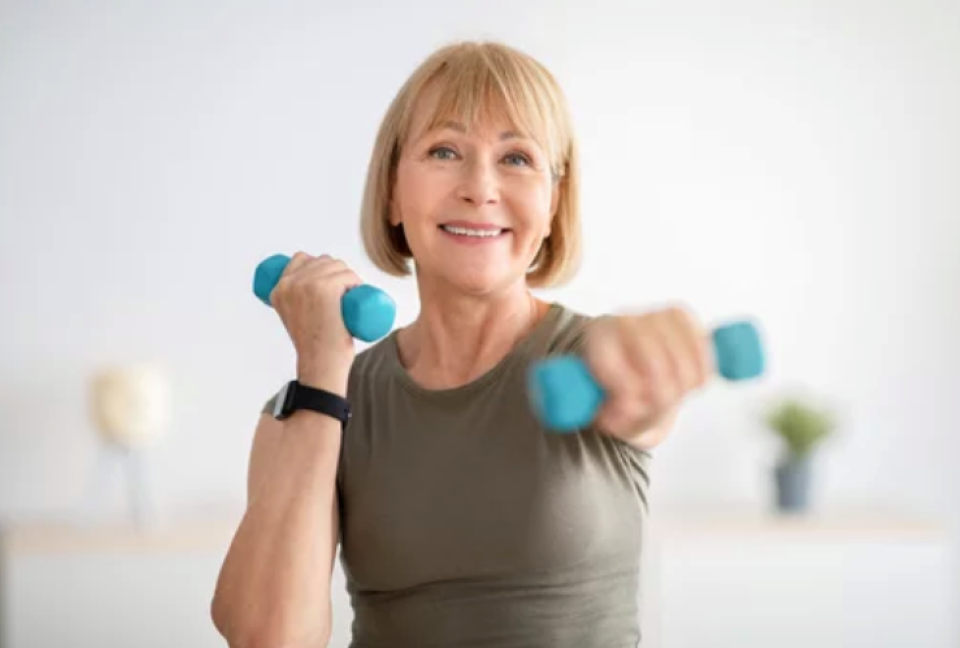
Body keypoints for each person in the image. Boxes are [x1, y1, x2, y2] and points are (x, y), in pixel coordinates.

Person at [211, 40, 713, 648]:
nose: (480, 188)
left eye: (517, 158)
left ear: (554, 203)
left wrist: (655, 359)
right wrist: (320, 372)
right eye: (444, 151)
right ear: (393, 192)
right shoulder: (315, 405)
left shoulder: (593, 364)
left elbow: (639, 390)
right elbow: (270, 640)